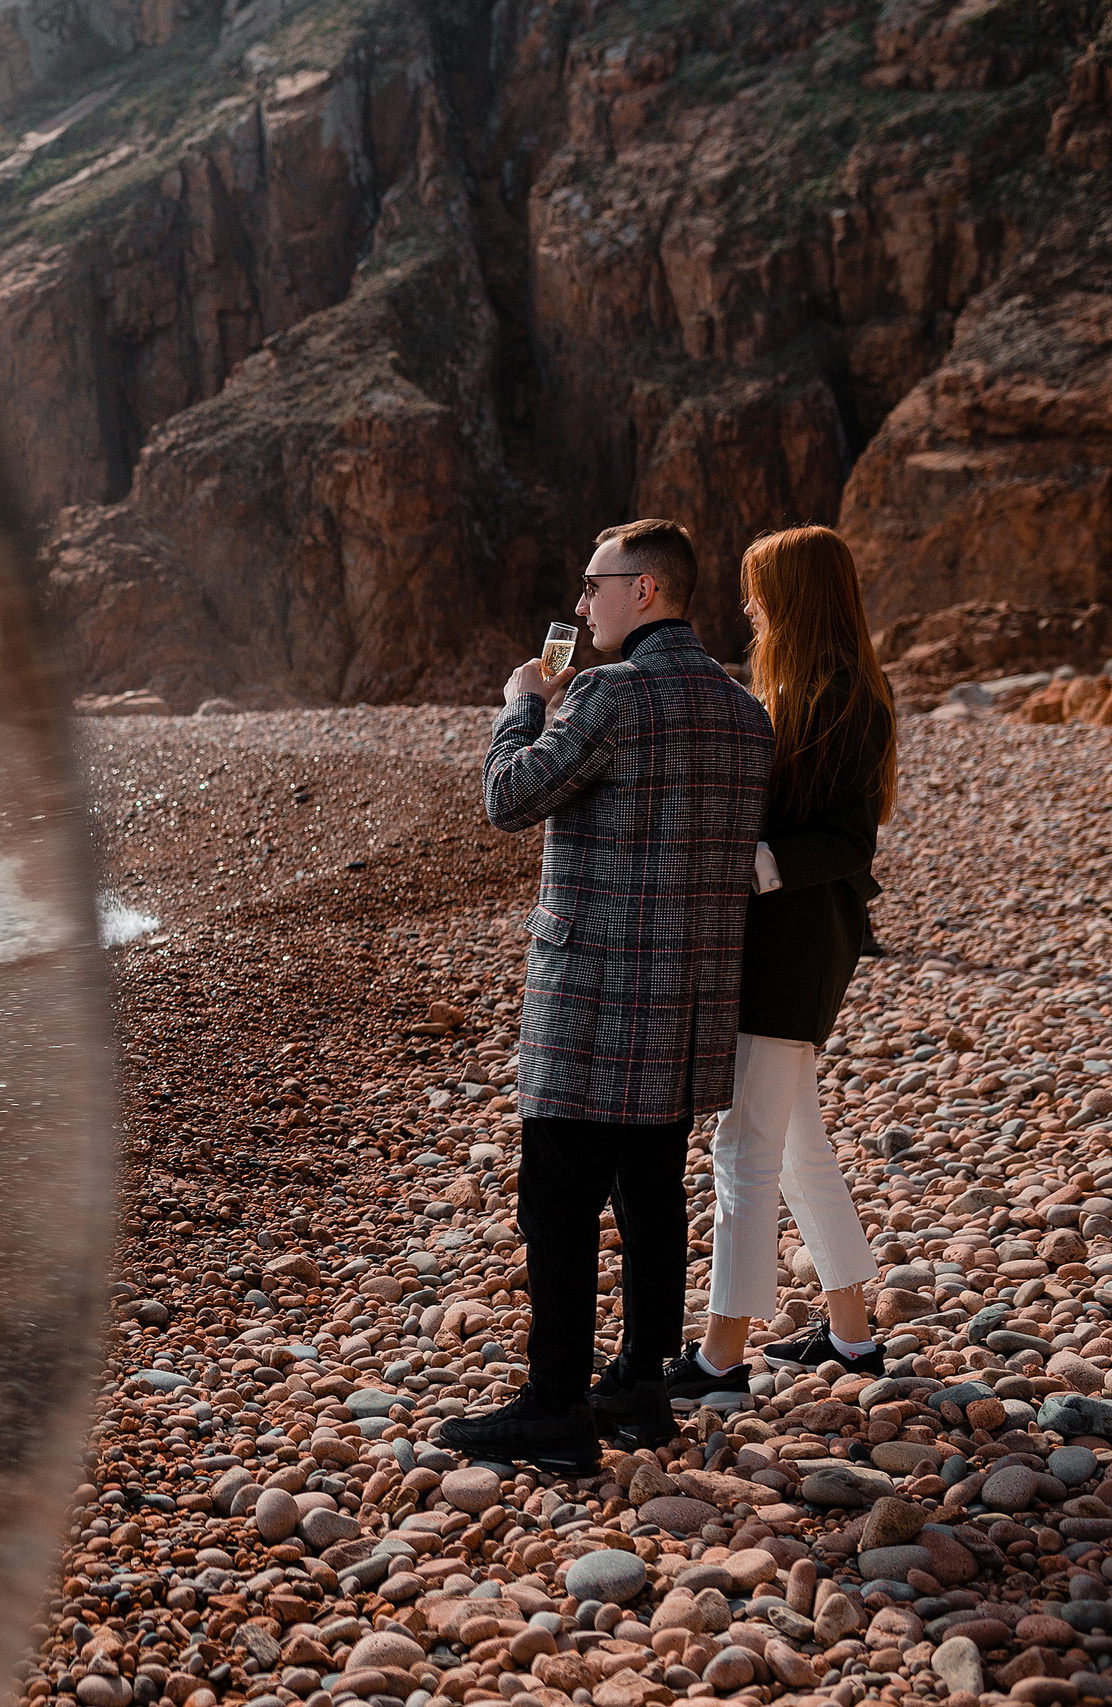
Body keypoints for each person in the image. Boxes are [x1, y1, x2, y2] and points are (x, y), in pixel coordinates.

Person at [434, 519, 774, 1467]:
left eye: (595, 585)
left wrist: (522, 705)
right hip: (687, 1002)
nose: (582, 605)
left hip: (593, 999)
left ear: (645, 590)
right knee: (652, 1196)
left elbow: (509, 798)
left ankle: (554, 1406)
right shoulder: (745, 712)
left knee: (557, 1203)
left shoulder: (608, 694)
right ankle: (638, 1386)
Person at [665, 526, 898, 1407]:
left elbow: (849, 841)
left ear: (797, 594)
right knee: (799, 1148)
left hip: (797, 949)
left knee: (744, 1147)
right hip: (784, 943)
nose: (748, 605)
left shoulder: (844, 696)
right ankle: (851, 1335)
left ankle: (721, 1359)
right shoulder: (806, 689)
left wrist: (752, 863)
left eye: (759, 588)